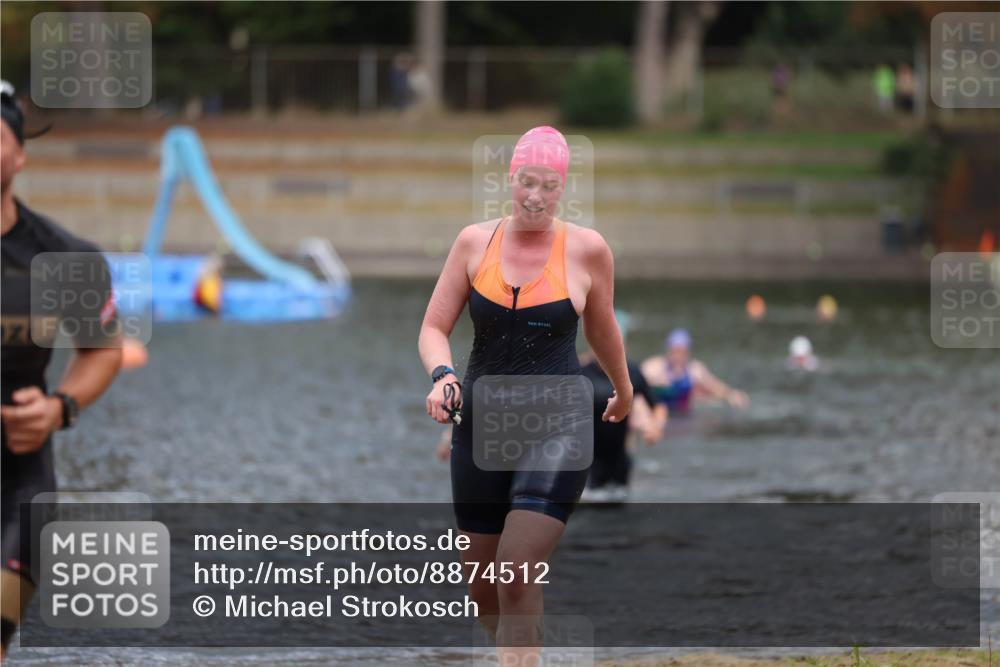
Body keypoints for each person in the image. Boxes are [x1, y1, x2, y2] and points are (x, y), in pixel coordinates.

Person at [418, 126, 630, 665]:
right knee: (485, 590)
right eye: (527, 182)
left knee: (516, 570)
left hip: (559, 423)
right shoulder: (473, 243)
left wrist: (623, 388)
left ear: (564, 187)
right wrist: (444, 375)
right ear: (509, 180)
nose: (536, 196)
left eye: (549, 185)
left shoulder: (587, 249)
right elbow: (433, 328)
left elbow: (602, 328)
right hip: (481, 426)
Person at [1, 81, 123, 656]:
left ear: (20, 154)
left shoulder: (64, 257)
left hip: (17, 482)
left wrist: (60, 407)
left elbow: (103, 350)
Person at [580, 311, 666, 503]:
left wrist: (656, 427)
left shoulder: (632, 372)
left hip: (621, 460)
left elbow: (658, 406)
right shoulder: (581, 373)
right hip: (588, 463)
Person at [641, 328, 749, 415]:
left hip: (684, 414)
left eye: (683, 352)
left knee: (708, 399)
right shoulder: (653, 367)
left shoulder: (695, 370)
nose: (679, 355)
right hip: (660, 414)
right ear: (669, 350)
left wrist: (731, 394)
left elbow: (714, 386)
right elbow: (636, 385)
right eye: (676, 351)